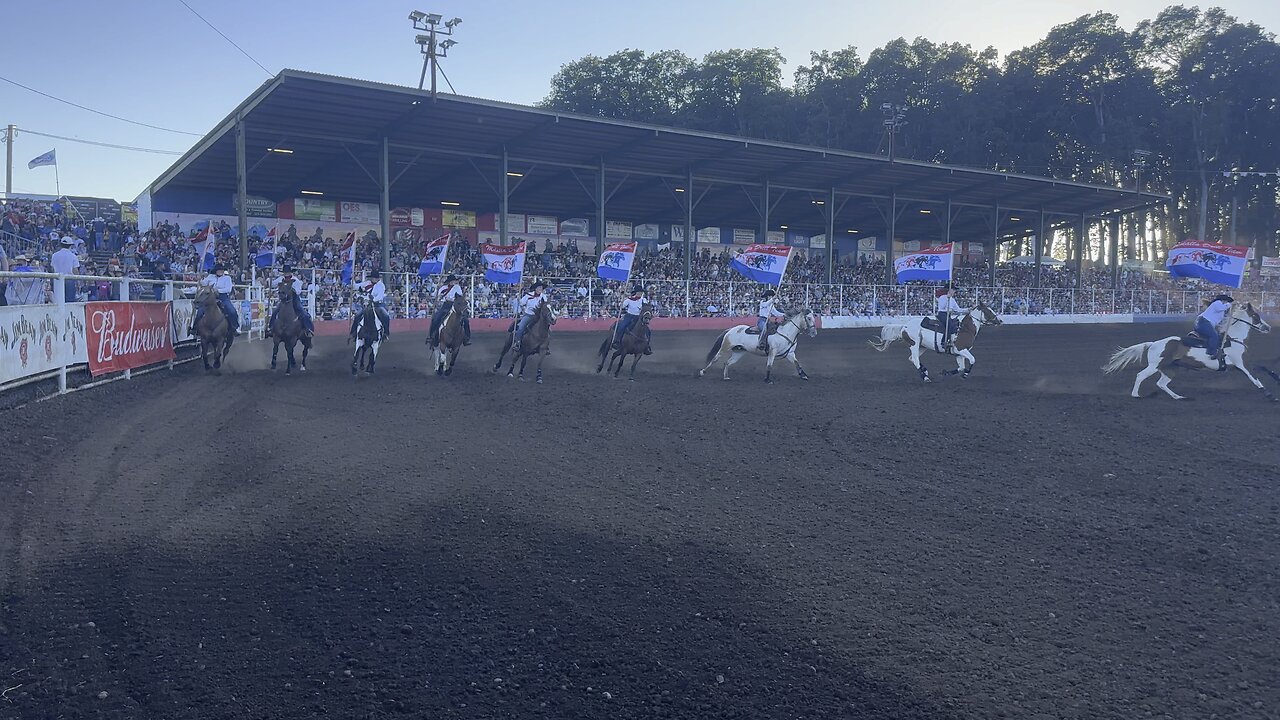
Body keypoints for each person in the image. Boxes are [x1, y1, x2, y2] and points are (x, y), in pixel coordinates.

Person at [191, 264, 240, 335]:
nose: (220, 271)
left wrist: (217, 290)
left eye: (221, 270)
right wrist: (200, 279)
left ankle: (234, 327)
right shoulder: (211, 277)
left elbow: (228, 289)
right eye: (219, 270)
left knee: (231, 311)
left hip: (222, 297)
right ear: (216, 271)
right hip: (210, 297)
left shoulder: (227, 278)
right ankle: (195, 328)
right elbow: (203, 283)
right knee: (200, 311)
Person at [268, 266, 314, 338]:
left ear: (290, 273)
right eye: (285, 273)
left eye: (287, 272)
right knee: (275, 312)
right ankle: (270, 328)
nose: (286, 274)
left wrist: (291, 290)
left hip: (294, 299)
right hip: (284, 300)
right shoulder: (280, 279)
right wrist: (270, 279)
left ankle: (308, 329)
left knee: (302, 312)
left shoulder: (296, 281)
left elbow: (298, 291)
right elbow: (272, 284)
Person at [428, 274, 472, 347]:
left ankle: (466, 338)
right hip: (446, 305)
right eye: (451, 281)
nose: (453, 282)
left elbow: (459, 297)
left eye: (454, 281)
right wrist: (438, 292)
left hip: (455, 306)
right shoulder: (443, 288)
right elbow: (435, 296)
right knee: (436, 318)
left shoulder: (457, 287)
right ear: (449, 282)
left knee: (465, 320)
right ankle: (432, 336)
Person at [1196, 294, 1234, 371]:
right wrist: (1230, 304)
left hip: (1206, 323)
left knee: (1219, 337)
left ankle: (1218, 353)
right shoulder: (1217, 303)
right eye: (1226, 301)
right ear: (1224, 300)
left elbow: (1220, 320)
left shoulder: (1220, 311)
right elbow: (1221, 308)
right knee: (1214, 336)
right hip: (1204, 323)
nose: (1227, 303)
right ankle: (1211, 352)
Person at [612, 284, 652, 355]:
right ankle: (617, 341)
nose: (640, 293)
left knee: (648, 331)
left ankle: (646, 346)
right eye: (639, 292)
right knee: (622, 326)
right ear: (636, 292)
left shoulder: (644, 300)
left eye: (641, 292)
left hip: (639, 317)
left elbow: (646, 308)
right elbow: (621, 306)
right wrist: (621, 302)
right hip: (629, 316)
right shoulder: (629, 300)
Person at [350, 270, 391, 340]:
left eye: (374, 278)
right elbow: (356, 287)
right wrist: (352, 280)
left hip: (377, 304)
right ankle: (354, 332)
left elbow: (379, 296)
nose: (373, 279)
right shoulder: (367, 283)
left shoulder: (381, 285)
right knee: (357, 315)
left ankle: (385, 333)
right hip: (368, 305)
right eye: (372, 277)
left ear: (378, 278)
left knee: (386, 316)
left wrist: (372, 299)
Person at [512, 281, 547, 353]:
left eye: (541, 288)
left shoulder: (543, 296)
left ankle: (545, 345)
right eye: (539, 287)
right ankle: (517, 343)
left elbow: (545, 305)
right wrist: (519, 299)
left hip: (539, 317)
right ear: (535, 288)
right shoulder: (528, 295)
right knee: (521, 327)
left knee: (548, 329)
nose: (541, 289)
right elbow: (522, 303)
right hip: (529, 315)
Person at [50, 237, 80, 302]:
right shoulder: (73, 256)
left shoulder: (54, 255)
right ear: (70, 245)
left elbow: (52, 268)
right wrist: (78, 282)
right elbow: (75, 270)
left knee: (58, 300)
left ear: (61, 244)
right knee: (69, 301)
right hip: (69, 279)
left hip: (57, 279)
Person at [935, 285, 964, 351]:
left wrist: (968, 309)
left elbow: (958, 309)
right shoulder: (942, 297)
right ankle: (944, 342)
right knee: (949, 325)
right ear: (949, 290)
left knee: (955, 324)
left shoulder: (952, 300)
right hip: (942, 314)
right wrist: (947, 300)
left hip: (948, 315)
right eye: (953, 290)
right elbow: (942, 307)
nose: (954, 291)